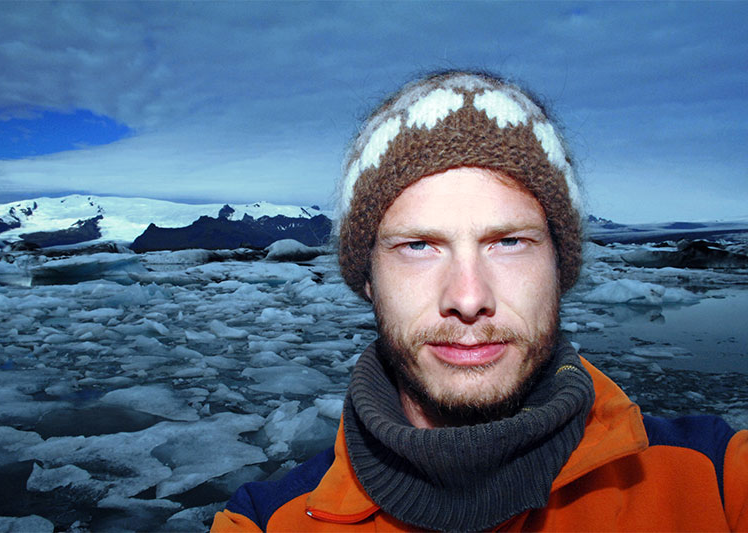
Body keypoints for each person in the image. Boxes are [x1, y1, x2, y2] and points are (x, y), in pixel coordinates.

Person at [212, 71, 747, 532]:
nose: (468, 298)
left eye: (509, 242)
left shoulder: (716, 483)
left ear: (560, 268)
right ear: (368, 279)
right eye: (418, 245)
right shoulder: (270, 522)